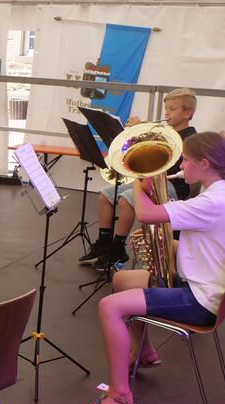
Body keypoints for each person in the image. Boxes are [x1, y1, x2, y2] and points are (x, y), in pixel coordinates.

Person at [78, 132, 225, 404]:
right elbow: (212, 246)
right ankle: (144, 351)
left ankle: (119, 394)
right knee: (122, 281)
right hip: (204, 285)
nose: (181, 166)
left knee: (109, 306)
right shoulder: (220, 195)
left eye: (185, 160)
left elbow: (147, 214)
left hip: (199, 300)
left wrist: (139, 179)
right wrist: (172, 245)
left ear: (205, 163)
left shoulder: (213, 202)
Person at [82, 88, 199, 270]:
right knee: (105, 194)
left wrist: (144, 127)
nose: (167, 112)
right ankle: (104, 243)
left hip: (175, 185)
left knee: (127, 199)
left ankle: (118, 248)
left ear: (188, 113)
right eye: (166, 108)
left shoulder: (191, 137)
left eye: (173, 109)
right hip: (154, 182)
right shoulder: (165, 132)